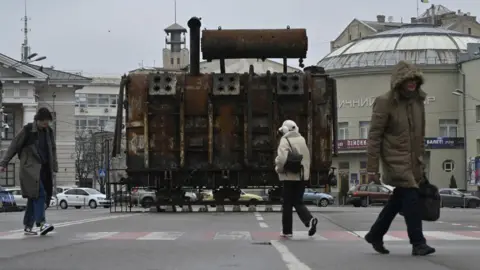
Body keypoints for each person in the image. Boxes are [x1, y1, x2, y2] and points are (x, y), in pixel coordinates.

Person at [364, 61, 435, 256]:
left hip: (413, 161)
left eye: (415, 79)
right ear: (399, 82)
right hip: (394, 159)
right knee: (411, 196)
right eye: (407, 80)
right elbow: (374, 137)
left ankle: (375, 234)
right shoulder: (385, 102)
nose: (412, 83)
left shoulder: (418, 101)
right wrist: (372, 169)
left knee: (398, 200)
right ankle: (418, 243)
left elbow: (419, 135)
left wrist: (420, 164)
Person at [0, 107, 57, 235]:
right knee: (40, 194)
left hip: (44, 169)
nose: (46, 124)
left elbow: (52, 149)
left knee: (33, 197)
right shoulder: (27, 130)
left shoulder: (49, 132)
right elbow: (14, 145)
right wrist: (4, 163)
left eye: (47, 121)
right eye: (43, 122)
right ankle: (41, 224)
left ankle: (28, 226)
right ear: (37, 120)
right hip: (30, 169)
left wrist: (54, 166)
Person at [275, 120, 318, 238]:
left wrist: (278, 169)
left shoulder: (285, 140)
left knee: (287, 204)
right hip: (302, 176)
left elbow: (281, 158)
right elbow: (307, 160)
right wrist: (306, 176)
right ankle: (309, 220)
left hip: (289, 176)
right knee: (298, 201)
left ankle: (287, 231)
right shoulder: (302, 140)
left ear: (284, 130)